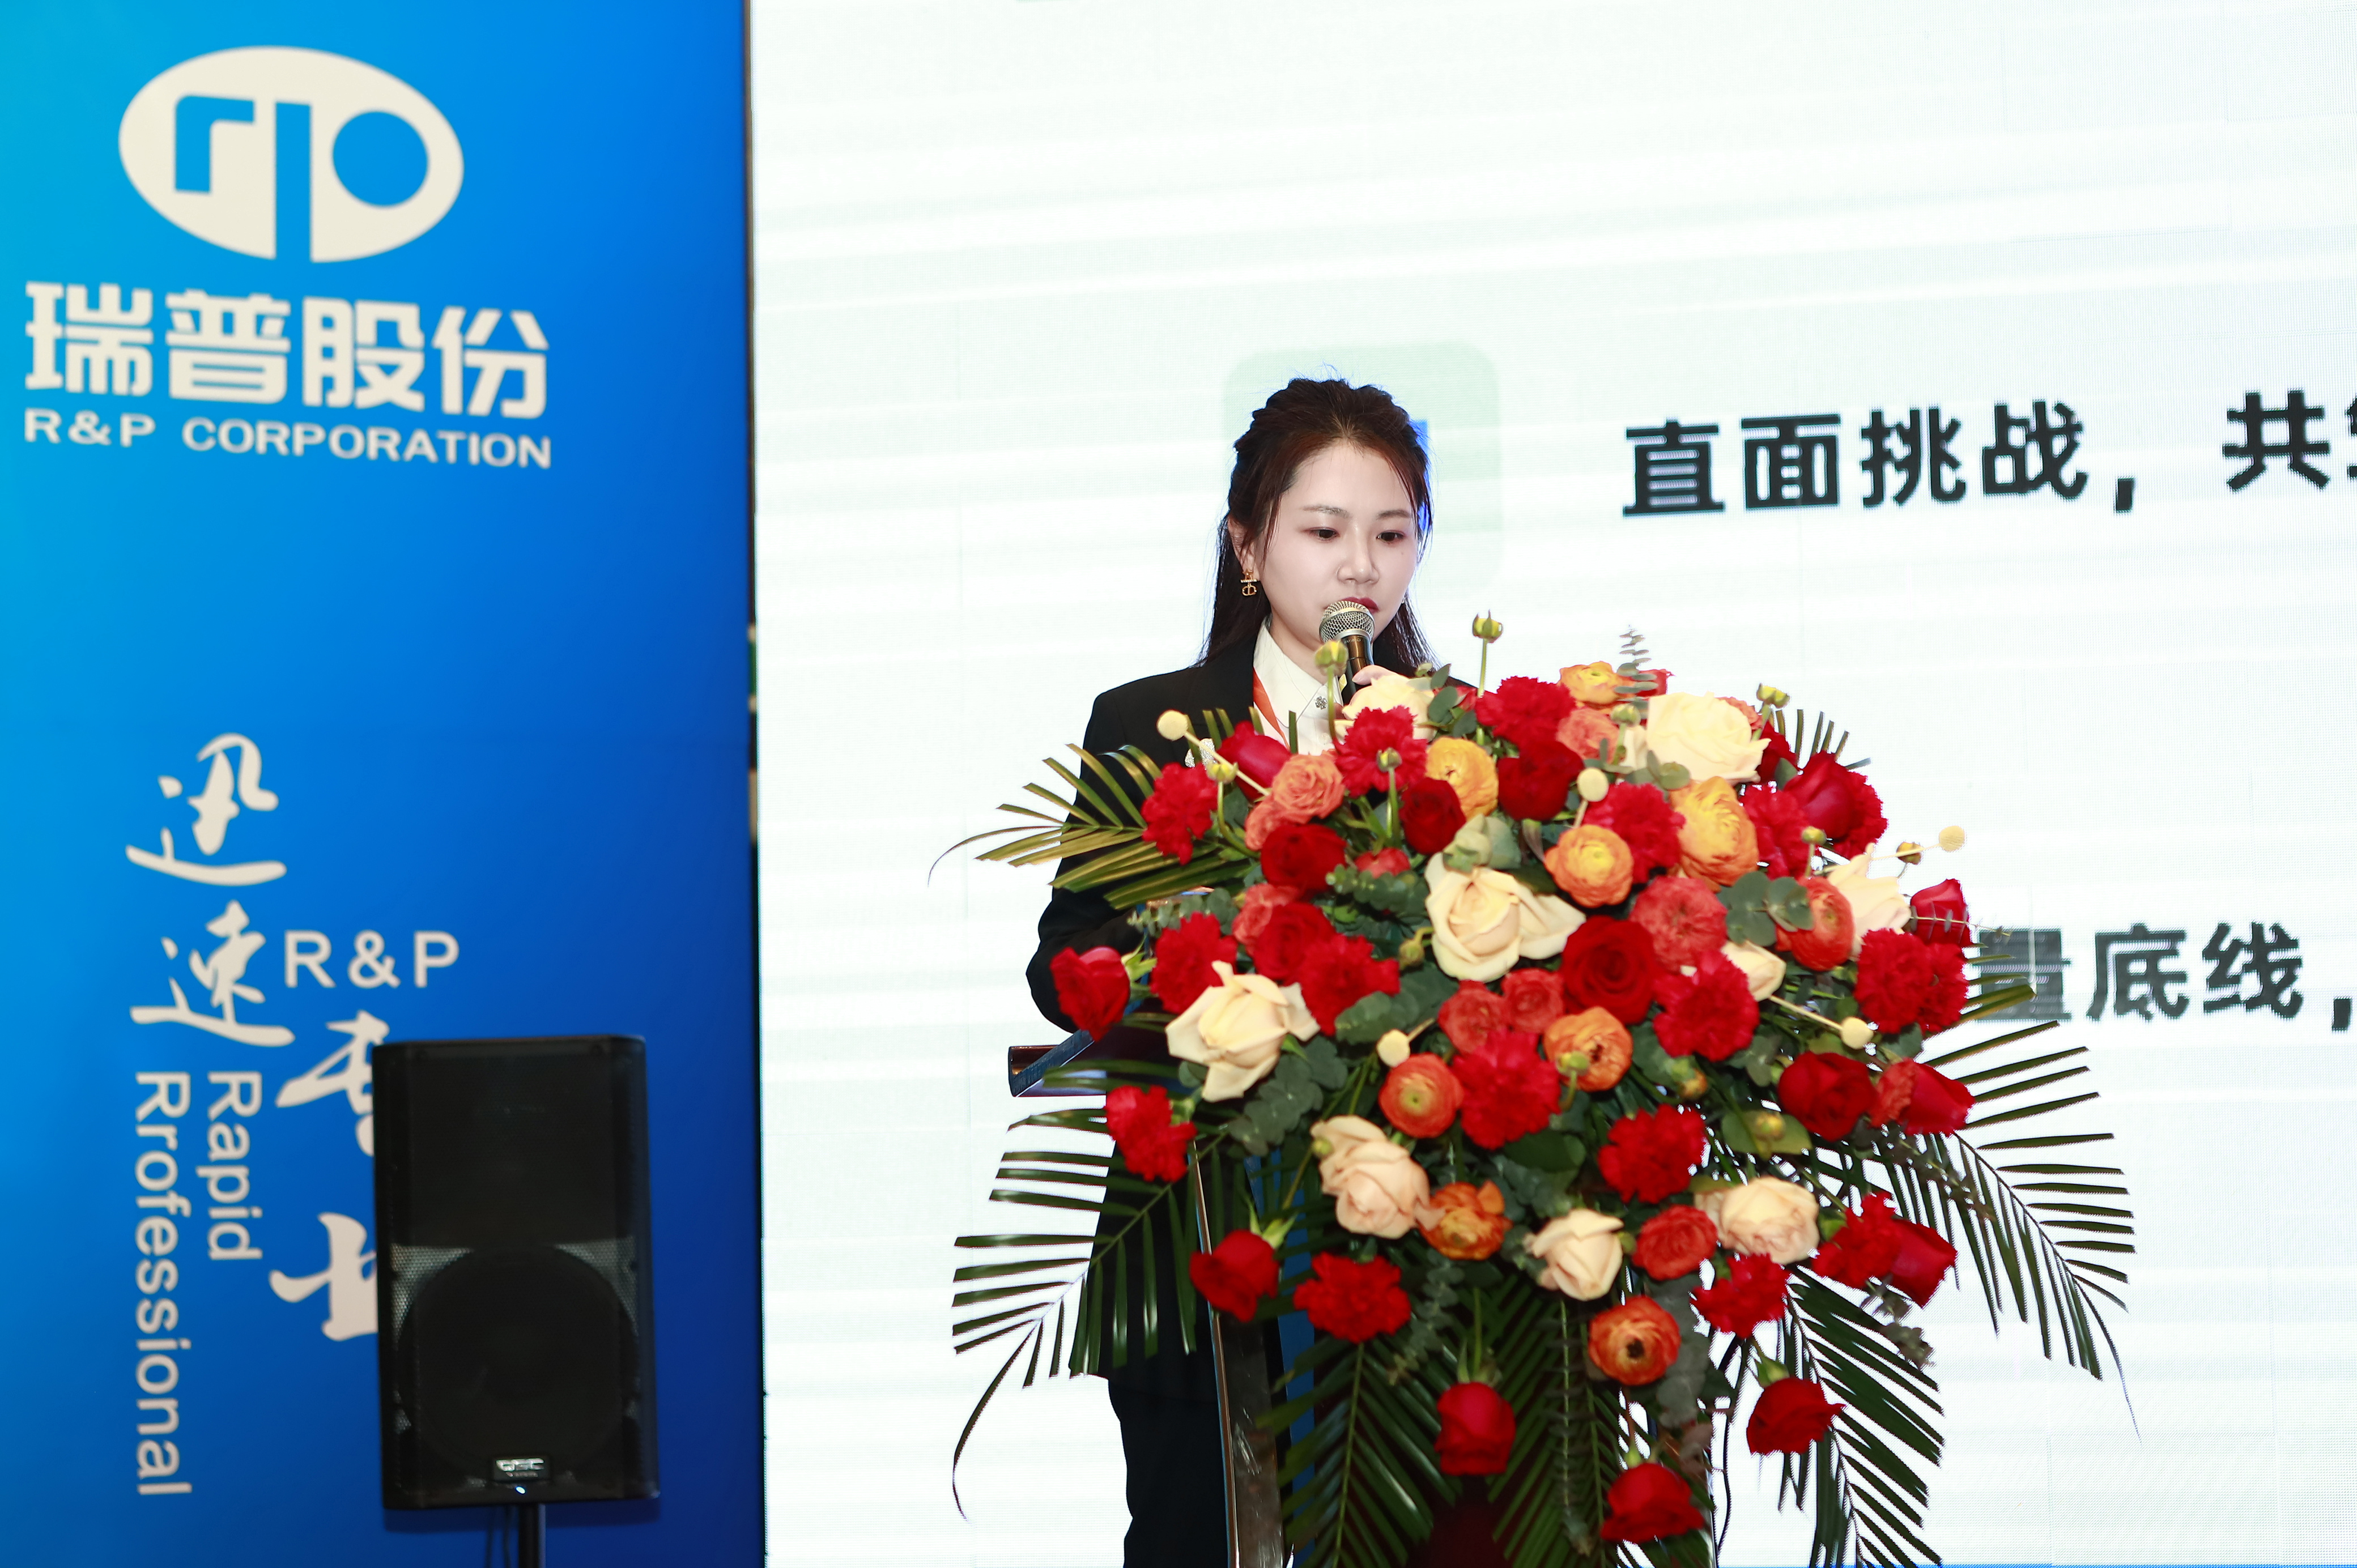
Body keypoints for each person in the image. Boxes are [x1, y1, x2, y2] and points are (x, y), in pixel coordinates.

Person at [1027, 377, 1441, 1568]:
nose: (1359, 565)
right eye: (1324, 531)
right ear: (1249, 547)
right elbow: (1063, 960)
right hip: (1200, 1239)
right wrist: (1201, 960)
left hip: (1421, 1249)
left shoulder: (1460, 735)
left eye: (1391, 533)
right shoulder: (1150, 723)